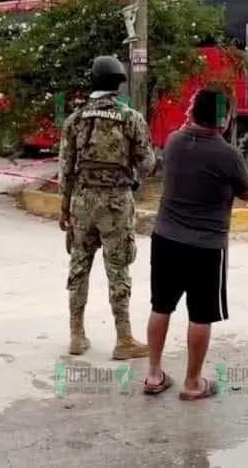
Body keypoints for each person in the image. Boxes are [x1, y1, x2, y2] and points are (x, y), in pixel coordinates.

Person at [143, 86, 248, 399]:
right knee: (201, 315)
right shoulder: (229, 155)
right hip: (207, 246)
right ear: (225, 118)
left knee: (160, 306)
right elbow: (247, 192)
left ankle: (153, 375)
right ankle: (192, 383)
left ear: (193, 112)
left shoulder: (175, 141)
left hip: (165, 238)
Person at [59, 56, 156, 359]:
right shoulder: (131, 118)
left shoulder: (74, 119)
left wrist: (65, 209)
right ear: (118, 83)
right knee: (118, 269)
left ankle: (76, 335)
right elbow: (147, 164)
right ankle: (124, 339)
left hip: (81, 201)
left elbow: (65, 169)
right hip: (115, 203)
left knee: (79, 267)